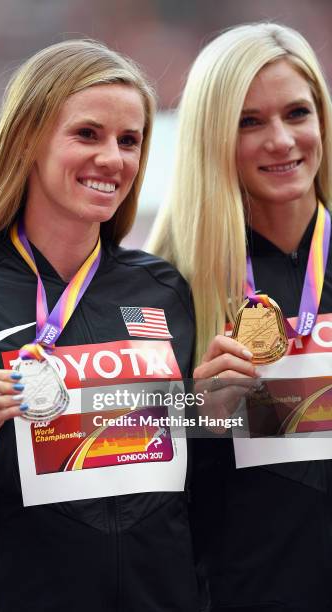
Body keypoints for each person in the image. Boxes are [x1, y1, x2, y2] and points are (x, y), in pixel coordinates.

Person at [0, 40, 201, 612]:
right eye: (88, 134)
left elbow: (194, 475)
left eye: (130, 141)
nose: (113, 159)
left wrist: (227, 404)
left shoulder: (163, 288)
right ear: (27, 139)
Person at [148, 22, 332, 612]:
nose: (281, 140)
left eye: (297, 113)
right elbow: (133, 459)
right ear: (211, 138)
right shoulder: (164, 283)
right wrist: (206, 415)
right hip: (243, 591)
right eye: (249, 121)